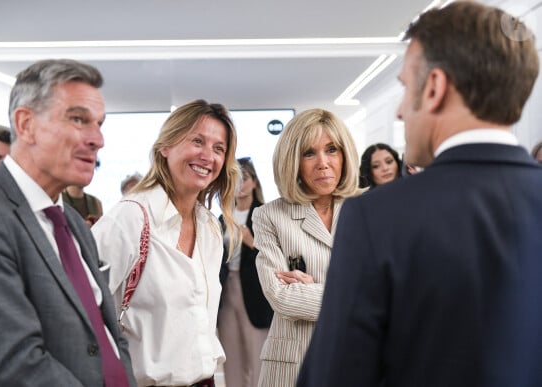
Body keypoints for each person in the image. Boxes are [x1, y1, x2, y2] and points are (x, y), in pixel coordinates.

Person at [298, 2, 541, 387]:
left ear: (434, 88)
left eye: (406, 87)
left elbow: (335, 376)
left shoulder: (375, 218)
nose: (398, 112)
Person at [0, 59, 135, 386]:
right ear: (25, 124)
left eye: (99, 123)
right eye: (78, 119)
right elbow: (14, 362)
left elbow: (108, 335)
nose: (97, 139)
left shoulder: (72, 222)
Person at [92, 99, 240, 387]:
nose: (208, 156)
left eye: (218, 148)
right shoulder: (131, 217)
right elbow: (79, 309)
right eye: (198, 141)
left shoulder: (209, 228)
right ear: (166, 146)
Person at [252, 108, 362, 387]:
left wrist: (310, 288)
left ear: (344, 154)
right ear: (293, 161)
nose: (323, 163)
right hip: (291, 365)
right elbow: (280, 297)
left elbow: (385, 291)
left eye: (331, 149)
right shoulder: (269, 216)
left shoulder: (368, 211)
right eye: (309, 153)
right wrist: (354, 295)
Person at [218, 156, 273, 387]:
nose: (240, 185)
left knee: (257, 354)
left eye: (245, 178)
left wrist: (253, 243)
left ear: (255, 182)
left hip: (256, 292)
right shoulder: (222, 218)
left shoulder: (265, 214)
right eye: (235, 179)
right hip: (226, 291)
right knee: (231, 356)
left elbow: (276, 256)